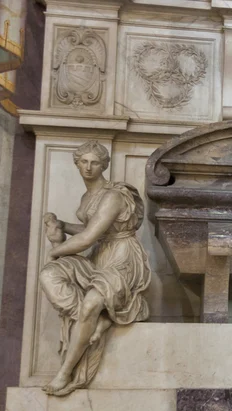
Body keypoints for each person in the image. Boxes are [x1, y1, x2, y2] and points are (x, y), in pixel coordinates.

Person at [40, 140, 151, 396]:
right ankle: (97, 319)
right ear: (77, 163)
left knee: (90, 303)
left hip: (122, 258)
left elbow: (90, 236)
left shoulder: (113, 195)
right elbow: (94, 231)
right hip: (98, 256)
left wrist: (54, 250)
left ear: (104, 165)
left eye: (95, 162)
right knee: (50, 274)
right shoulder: (88, 196)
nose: (88, 167)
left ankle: (65, 372)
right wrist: (63, 225)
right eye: (84, 162)